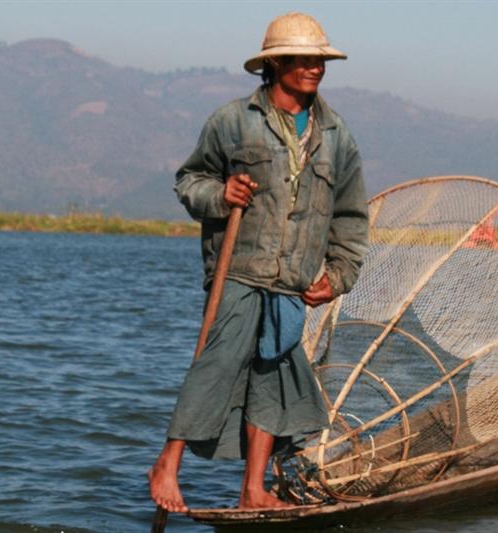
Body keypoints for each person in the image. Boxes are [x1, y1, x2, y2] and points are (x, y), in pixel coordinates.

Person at [147, 12, 368, 512]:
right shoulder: (233, 121)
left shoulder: (336, 135)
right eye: (304, 59)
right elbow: (190, 181)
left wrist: (338, 275)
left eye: (319, 60)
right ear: (275, 65)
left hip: (293, 279)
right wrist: (222, 193)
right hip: (239, 271)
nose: (314, 68)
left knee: (273, 376)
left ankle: (252, 490)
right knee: (217, 365)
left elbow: (351, 216)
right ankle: (167, 463)